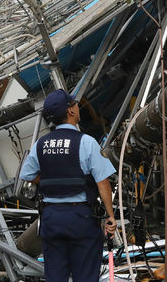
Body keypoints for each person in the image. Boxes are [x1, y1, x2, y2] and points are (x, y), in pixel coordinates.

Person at [19, 89, 117, 282]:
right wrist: (110, 216)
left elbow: (27, 174)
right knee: (86, 275)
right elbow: (102, 182)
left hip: (51, 218)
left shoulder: (41, 144)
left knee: (55, 276)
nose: (77, 107)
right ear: (70, 111)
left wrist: (50, 180)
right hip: (81, 217)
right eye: (74, 104)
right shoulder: (87, 142)